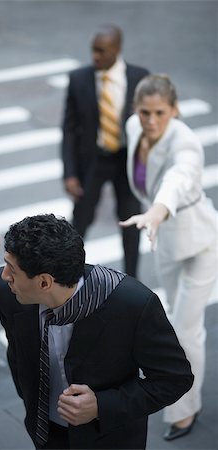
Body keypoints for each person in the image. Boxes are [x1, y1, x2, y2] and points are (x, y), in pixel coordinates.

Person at [0, 213, 193, 450]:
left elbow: (175, 379)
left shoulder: (133, 305)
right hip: (45, 433)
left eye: (12, 269)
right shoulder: (4, 292)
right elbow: (17, 353)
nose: (5, 276)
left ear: (44, 282)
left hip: (110, 438)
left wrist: (101, 406)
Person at [119, 74, 218, 441]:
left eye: (160, 112)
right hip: (166, 243)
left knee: (185, 329)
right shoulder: (133, 127)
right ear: (136, 110)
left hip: (200, 241)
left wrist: (155, 213)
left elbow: (177, 179)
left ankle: (184, 411)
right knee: (173, 321)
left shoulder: (186, 144)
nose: (151, 121)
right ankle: (183, 400)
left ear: (174, 111)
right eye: (145, 112)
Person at [61, 24, 149, 278]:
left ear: (117, 50)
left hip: (126, 162)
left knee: (131, 225)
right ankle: (71, 283)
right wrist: (69, 173)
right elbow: (68, 129)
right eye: (93, 50)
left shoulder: (139, 77)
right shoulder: (79, 79)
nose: (95, 56)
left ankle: (132, 284)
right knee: (79, 224)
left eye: (101, 51)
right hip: (93, 162)